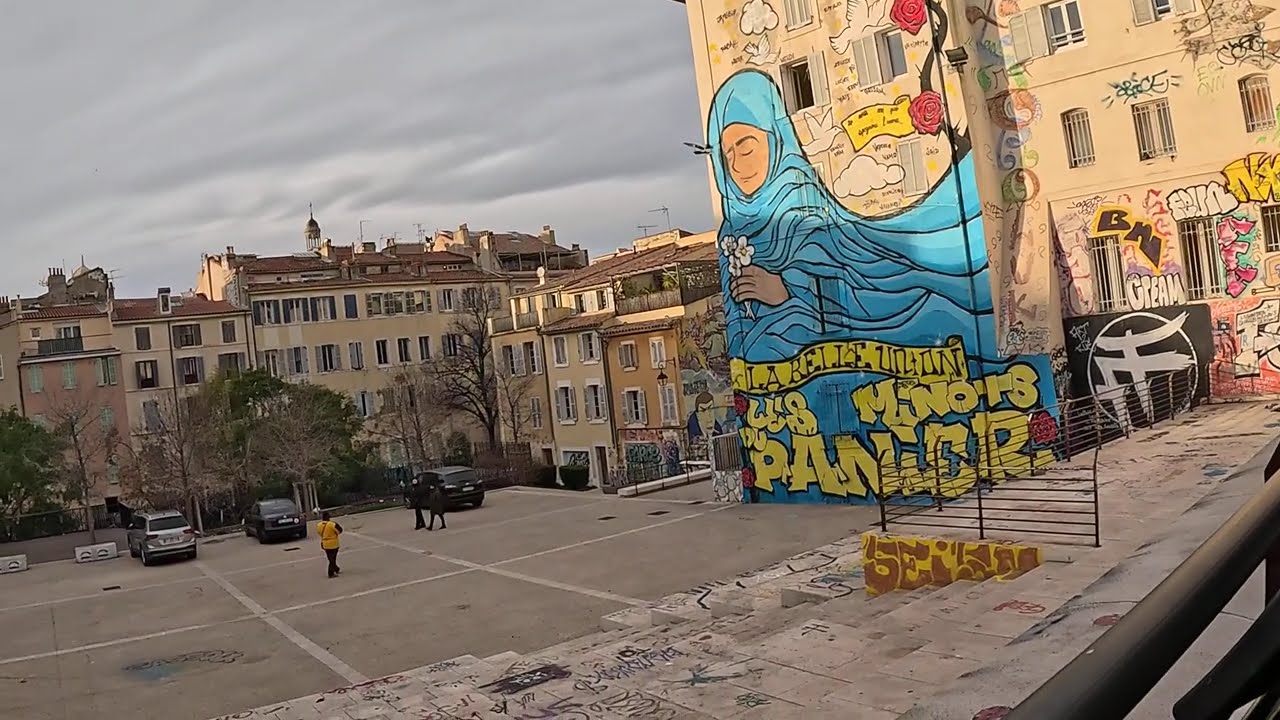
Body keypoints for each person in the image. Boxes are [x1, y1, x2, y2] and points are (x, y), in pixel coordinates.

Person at [316, 511, 342, 578]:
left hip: (325, 544)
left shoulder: (319, 525)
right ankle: (331, 573)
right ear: (328, 517)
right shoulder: (332, 524)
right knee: (332, 558)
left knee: (330, 558)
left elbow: (319, 533)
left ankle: (336, 568)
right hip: (333, 544)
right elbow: (340, 531)